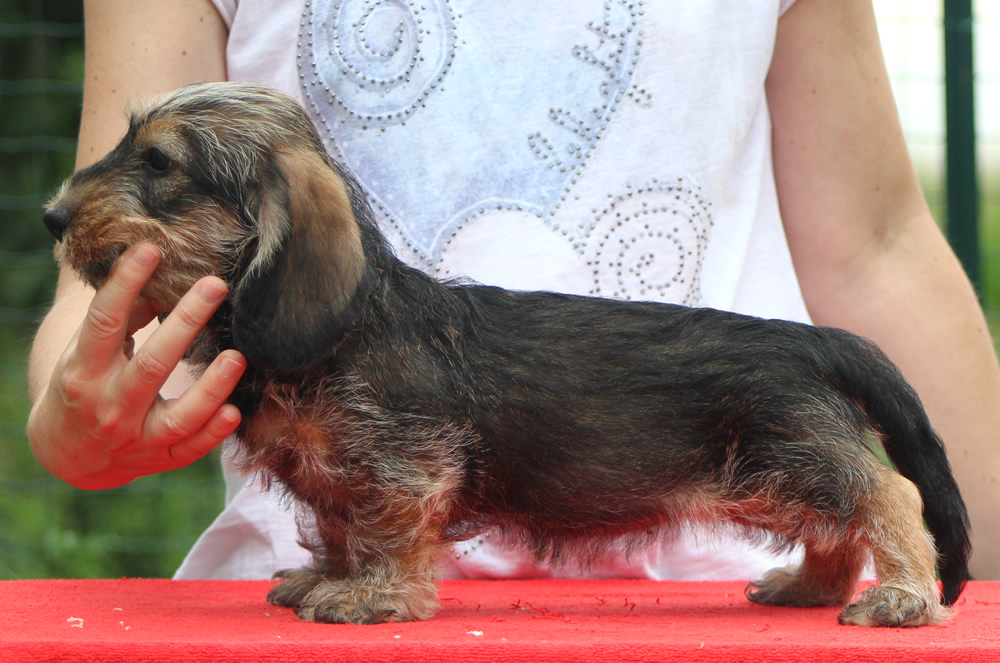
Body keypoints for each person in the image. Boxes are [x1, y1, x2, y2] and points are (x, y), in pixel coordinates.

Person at [27, 0, 1000, 581]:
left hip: (719, 591)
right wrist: (69, 417)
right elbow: (106, 263)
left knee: (825, 483)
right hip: (300, 600)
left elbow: (877, 246)